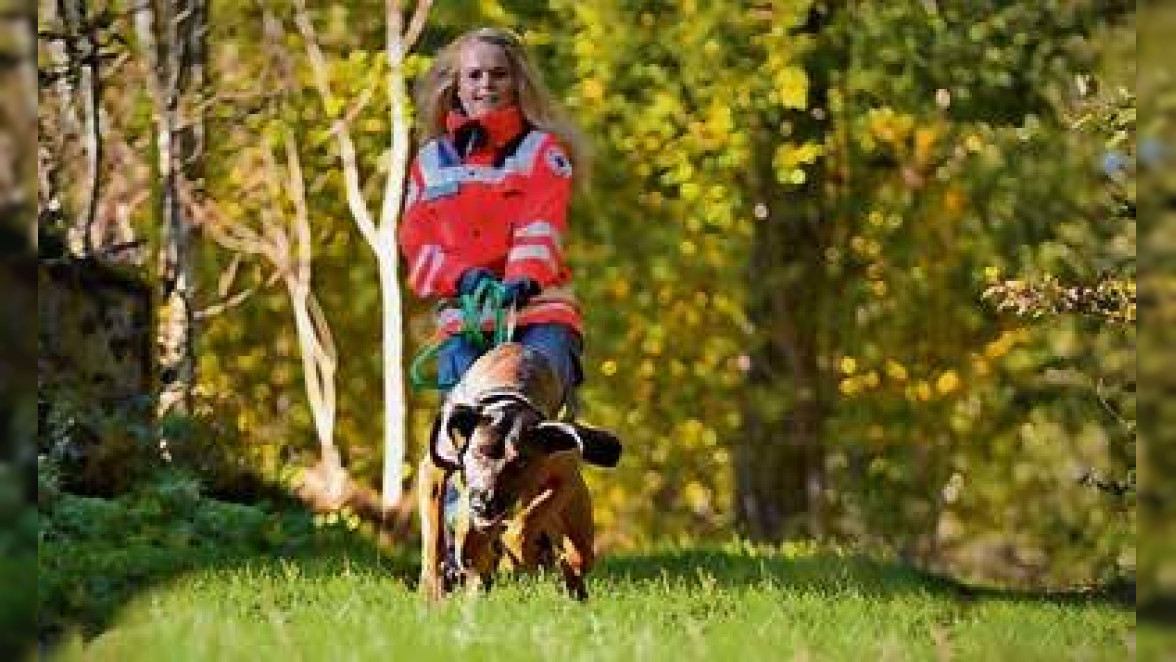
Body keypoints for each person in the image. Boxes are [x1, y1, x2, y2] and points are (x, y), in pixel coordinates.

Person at [399, 27, 588, 406]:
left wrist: (521, 281)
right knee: (461, 424)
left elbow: (541, 225)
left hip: (538, 313)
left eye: (498, 74)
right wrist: (463, 277)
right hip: (465, 322)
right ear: (456, 85)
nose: (486, 84)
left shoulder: (542, 152)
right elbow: (417, 241)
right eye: (474, 75)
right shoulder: (429, 162)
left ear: (517, 83)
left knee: (532, 409)